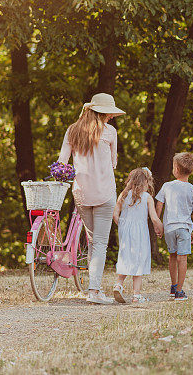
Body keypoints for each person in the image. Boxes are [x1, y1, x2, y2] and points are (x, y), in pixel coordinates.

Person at [57, 92, 125, 305]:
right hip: (104, 193)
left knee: (93, 239)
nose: (112, 117)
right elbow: (113, 163)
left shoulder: (72, 131)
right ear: (103, 113)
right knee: (99, 243)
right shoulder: (109, 132)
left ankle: (93, 288)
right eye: (110, 113)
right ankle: (94, 291)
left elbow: (62, 163)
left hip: (81, 193)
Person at [154, 152, 193, 301]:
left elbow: (159, 205)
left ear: (175, 168)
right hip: (184, 229)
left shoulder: (167, 186)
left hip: (169, 228)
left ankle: (173, 286)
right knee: (183, 258)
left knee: (172, 256)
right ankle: (180, 292)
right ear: (192, 170)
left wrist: (158, 223)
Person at [112, 167, 163, 303]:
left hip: (125, 230)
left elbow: (115, 214)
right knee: (138, 259)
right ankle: (136, 295)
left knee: (125, 256)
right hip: (140, 232)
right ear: (146, 183)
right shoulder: (147, 198)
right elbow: (154, 218)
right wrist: (160, 228)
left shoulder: (123, 195)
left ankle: (118, 284)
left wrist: (122, 225)